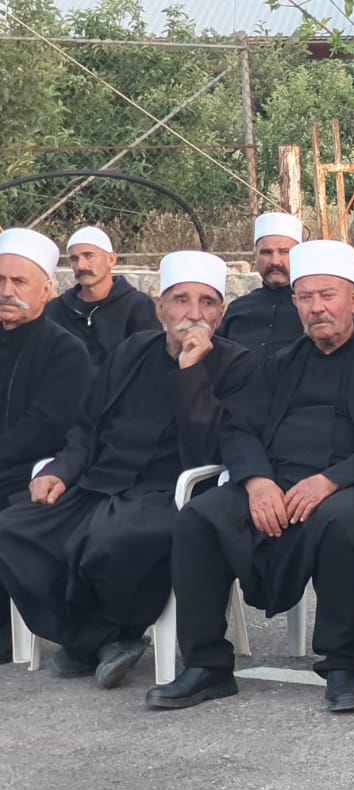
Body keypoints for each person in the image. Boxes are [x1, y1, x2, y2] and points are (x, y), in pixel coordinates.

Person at [146, 240, 354, 713]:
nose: (317, 308)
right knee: (198, 518)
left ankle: (341, 666)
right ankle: (207, 666)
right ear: (295, 304)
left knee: (342, 522)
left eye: (327, 296)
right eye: (306, 298)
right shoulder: (277, 364)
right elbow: (239, 427)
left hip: (351, 486)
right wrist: (257, 482)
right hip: (276, 482)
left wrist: (329, 481)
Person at [0, 251, 253, 687]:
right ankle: (97, 637)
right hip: (99, 482)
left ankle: (105, 633)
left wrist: (191, 373)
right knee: (15, 528)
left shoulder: (236, 364)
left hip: (169, 491)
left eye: (207, 302)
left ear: (221, 312)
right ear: (160, 307)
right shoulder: (132, 351)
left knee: (109, 539)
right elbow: (86, 425)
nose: (194, 313)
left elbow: (208, 449)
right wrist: (61, 470)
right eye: (181, 300)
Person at [0, 228, 92, 654]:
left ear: (47, 291)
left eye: (19, 282)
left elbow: (45, 428)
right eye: (1, 280)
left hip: (30, 471)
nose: (7, 291)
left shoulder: (65, 351)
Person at [43, 226, 158, 372]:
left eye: (89, 256)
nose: (81, 266)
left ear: (111, 259)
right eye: (74, 259)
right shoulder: (56, 310)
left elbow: (148, 364)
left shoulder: (138, 306)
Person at [217, 212, 305, 356]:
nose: (275, 261)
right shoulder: (237, 309)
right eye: (266, 252)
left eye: (284, 252)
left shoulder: (312, 311)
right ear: (256, 256)